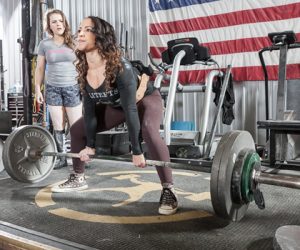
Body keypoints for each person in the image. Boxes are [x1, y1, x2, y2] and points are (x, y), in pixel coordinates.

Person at [51, 16, 178, 215]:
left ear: (101, 36)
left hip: (144, 100)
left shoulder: (121, 67)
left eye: (88, 29)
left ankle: (168, 188)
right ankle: (78, 177)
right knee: (77, 129)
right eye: (79, 29)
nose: (80, 33)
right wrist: (90, 146)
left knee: (149, 132)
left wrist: (137, 151)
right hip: (118, 106)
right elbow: (90, 111)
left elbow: (131, 109)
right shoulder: (84, 69)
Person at [35, 9, 82, 169]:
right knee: (58, 125)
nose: (58, 24)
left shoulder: (74, 42)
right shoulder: (44, 44)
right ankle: (61, 158)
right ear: (49, 25)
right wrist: (37, 89)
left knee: (76, 126)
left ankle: (79, 158)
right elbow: (40, 68)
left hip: (72, 88)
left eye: (60, 20)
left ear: (65, 22)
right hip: (53, 88)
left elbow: (82, 64)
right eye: (54, 21)